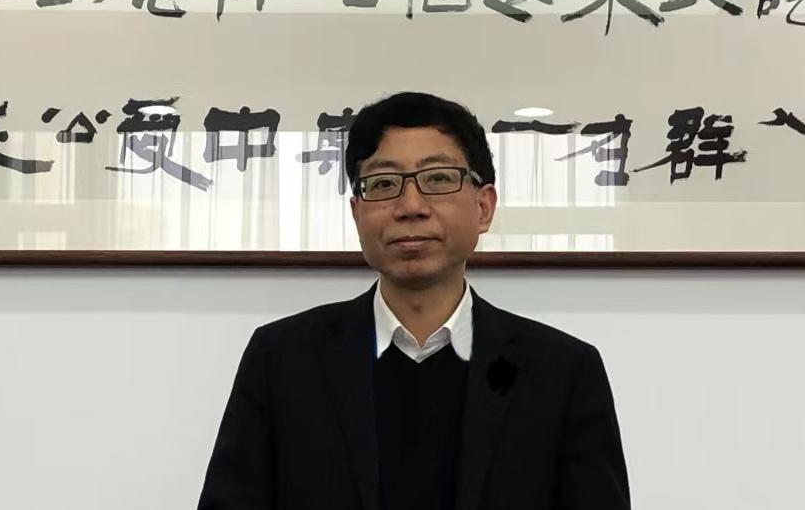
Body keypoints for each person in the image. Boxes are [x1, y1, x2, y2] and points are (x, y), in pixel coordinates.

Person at [197, 92, 630, 510]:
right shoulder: (281, 360)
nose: (411, 206)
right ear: (357, 213)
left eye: (437, 179)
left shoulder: (563, 372)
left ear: (484, 207)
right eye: (384, 183)